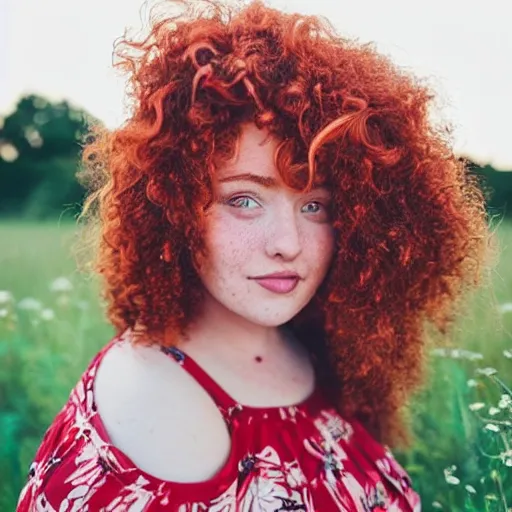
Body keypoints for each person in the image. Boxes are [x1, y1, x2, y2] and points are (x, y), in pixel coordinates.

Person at [17, 0, 493, 510]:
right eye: (244, 200)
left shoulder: (317, 345)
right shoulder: (152, 408)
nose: (287, 242)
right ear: (173, 205)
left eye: (315, 204)